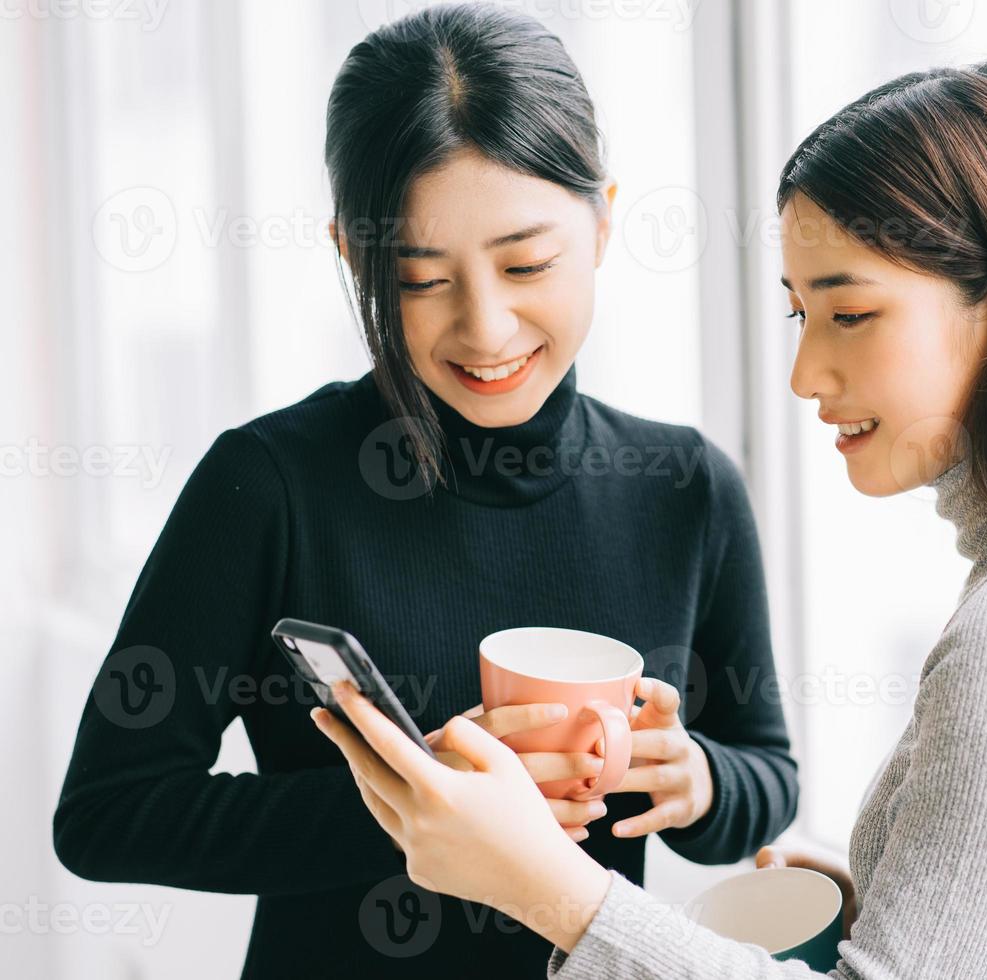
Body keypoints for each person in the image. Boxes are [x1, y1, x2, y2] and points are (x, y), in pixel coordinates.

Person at [315, 59, 987, 979]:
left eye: (850, 315)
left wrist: (549, 887)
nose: (804, 374)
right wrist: (878, 901)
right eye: (797, 316)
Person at [51, 5, 797, 975]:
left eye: (526, 262)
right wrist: (408, 797)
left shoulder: (684, 488)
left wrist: (695, 779)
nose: (485, 328)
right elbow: (108, 813)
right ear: (350, 253)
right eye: (417, 278)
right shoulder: (269, 483)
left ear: (606, 219)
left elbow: (765, 773)